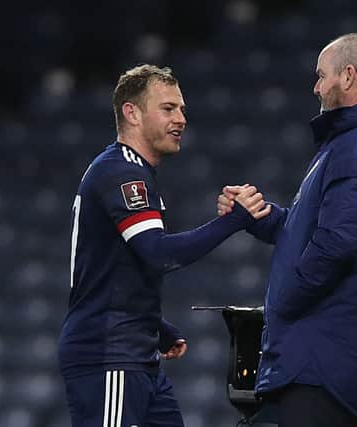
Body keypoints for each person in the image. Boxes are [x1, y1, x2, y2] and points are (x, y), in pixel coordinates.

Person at [218, 33, 357, 427]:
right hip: (331, 360)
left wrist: (285, 301)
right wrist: (257, 216)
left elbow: (338, 244)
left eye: (320, 75)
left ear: (347, 76)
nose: (315, 86)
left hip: (324, 366)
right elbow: (316, 232)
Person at [58, 64, 270, 427]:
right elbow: (158, 254)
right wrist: (233, 220)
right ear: (132, 113)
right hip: (109, 354)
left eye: (183, 109)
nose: (181, 119)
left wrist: (153, 324)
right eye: (169, 108)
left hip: (135, 353)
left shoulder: (130, 171)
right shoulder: (122, 172)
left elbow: (114, 266)